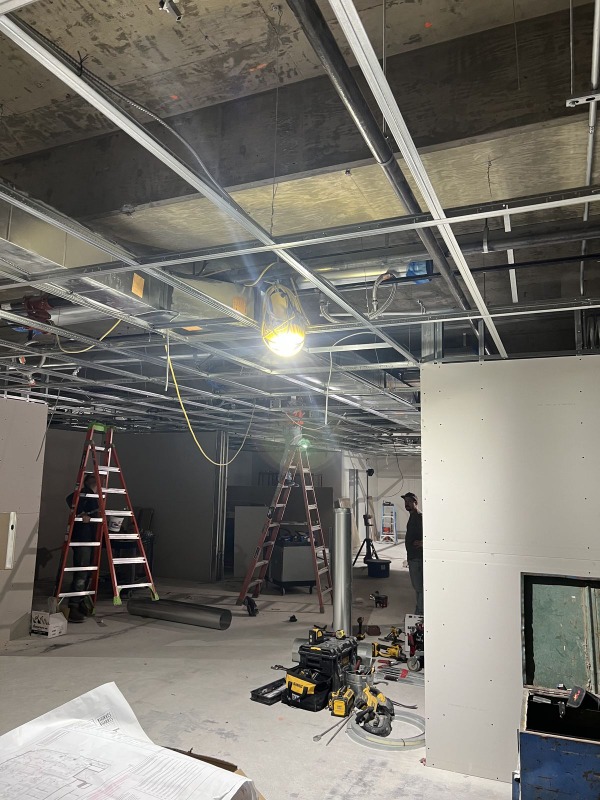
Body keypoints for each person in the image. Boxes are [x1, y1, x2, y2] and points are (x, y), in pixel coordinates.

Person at [65, 474, 100, 622]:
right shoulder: (84, 493)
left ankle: (80, 603)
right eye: (93, 478)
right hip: (82, 538)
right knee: (82, 572)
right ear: (87, 481)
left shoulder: (94, 496)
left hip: (90, 538)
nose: (96, 481)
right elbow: (69, 499)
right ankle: (73, 606)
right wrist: (81, 513)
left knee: (87, 572)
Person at [402, 492, 423, 616]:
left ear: (416, 502)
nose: (407, 504)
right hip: (413, 558)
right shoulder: (412, 516)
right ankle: (419, 611)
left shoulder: (419, 517)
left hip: (417, 558)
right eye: (405, 501)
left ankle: (420, 613)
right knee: (417, 587)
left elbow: (430, 533)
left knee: (420, 588)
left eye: (409, 501)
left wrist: (423, 543)